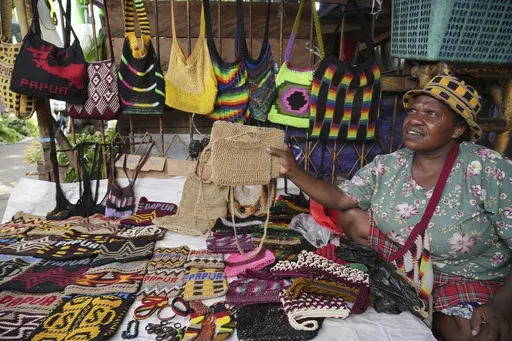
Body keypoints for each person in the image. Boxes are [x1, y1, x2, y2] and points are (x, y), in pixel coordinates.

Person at [268, 75, 512, 341]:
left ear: (457, 129)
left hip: (464, 277)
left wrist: (501, 306)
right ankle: (427, 308)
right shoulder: (389, 164)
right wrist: (292, 171)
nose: (414, 119)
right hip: (404, 266)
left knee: (479, 333)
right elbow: (339, 199)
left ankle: (435, 313)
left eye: (431, 113)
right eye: (413, 111)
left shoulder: (488, 170)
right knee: (352, 216)